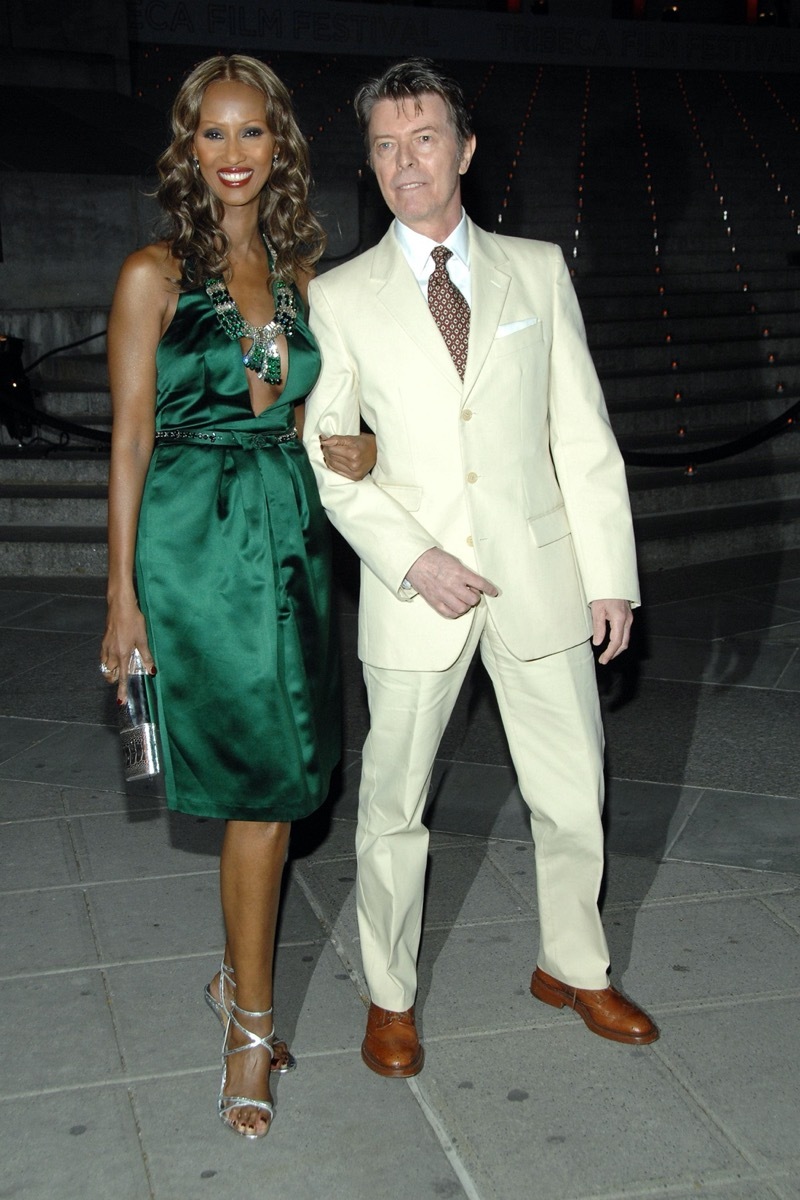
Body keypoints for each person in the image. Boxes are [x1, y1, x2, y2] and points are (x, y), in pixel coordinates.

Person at [303, 58, 658, 1079]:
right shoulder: (339, 297)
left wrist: (607, 575)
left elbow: (578, 435)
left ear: (461, 149)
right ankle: (387, 996)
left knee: (570, 788)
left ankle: (573, 966)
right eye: (383, 145)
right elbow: (327, 463)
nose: (403, 162)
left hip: (539, 576)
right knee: (392, 808)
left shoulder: (535, 270)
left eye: (422, 140)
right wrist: (412, 556)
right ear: (367, 164)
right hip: (415, 592)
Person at [99, 54, 374, 1138]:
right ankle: (248, 1029)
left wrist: (352, 446)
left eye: (250, 133)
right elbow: (125, 441)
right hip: (190, 545)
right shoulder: (151, 273)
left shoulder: (308, 283)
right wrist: (121, 598)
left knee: (288, 780)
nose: (232, 155)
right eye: (210, 135)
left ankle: (236, 989)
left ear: (279, 146)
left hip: (290, 547)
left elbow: (320, 419)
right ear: (186, 149)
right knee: (260, 792)